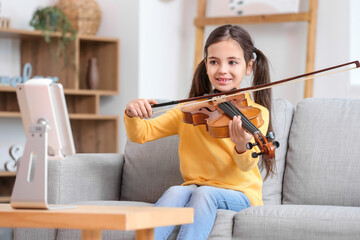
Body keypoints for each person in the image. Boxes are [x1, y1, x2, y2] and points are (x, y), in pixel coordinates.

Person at [124, 24, 275, 240]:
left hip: (241, 194)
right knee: (176, 191)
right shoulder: (190, 110)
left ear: (249, 67)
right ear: (206, 65)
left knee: (205, 193)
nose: (222, 70)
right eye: (214, 62)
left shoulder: (256, 113)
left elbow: (246, 165)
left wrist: (242, 145)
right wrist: (132, 113)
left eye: (232, 62)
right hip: (194, 188)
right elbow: (141, 134)